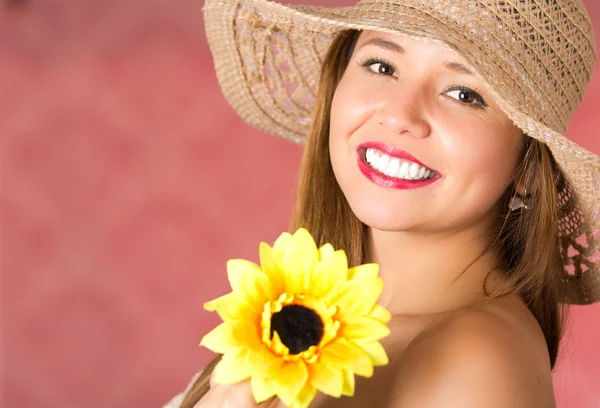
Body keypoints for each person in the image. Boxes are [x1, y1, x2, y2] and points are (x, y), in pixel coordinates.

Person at [165, 0, 600, 406]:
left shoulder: (476, 360)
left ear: (526, 168)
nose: (399, 115)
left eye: (464, 94)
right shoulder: (304, 313)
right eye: (382, 65)